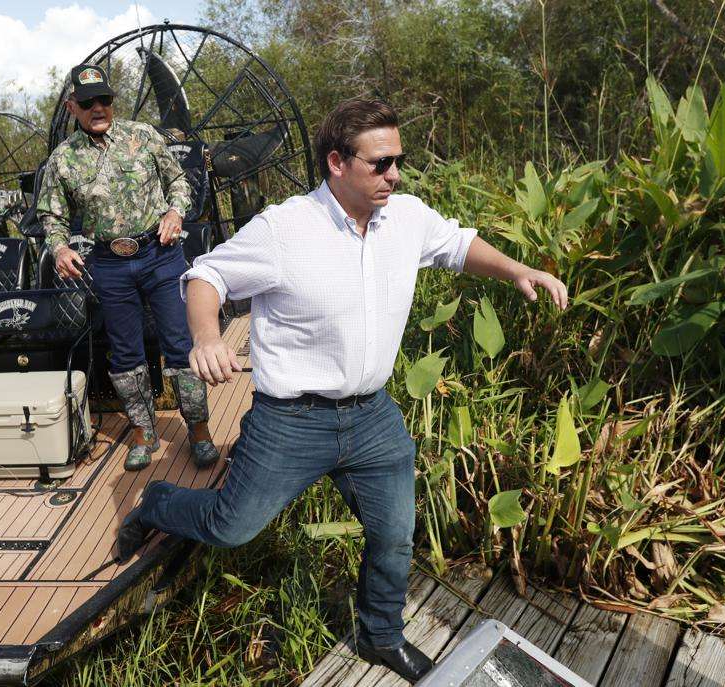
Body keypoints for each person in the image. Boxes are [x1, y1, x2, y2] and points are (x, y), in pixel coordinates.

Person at [117, 98, 568, 682]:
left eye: (398, 161)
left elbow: (458, 245)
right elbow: (207, 274)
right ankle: (157, 502)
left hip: (372, 417)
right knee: (231, 527)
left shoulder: (404, 217)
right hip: (290, 420)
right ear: (337, 162)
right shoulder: (285, 228)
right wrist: (205, 336)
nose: (395, 175)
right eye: (381, 164)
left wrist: (519, 271)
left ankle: (380, 635)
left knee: (394, 532)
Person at [37, 63, 219, 472]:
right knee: (124, 353)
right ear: (72, 107)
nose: (98, 108)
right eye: (88, 103)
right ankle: (142, 431)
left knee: (180, 345)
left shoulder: (144, 136)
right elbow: (52, 215)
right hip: (109, 264)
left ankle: (199, 429)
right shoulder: (63, 159)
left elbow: (179, 182)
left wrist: (175, 212)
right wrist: (60, 247)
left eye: (104, 99)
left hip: (161, 254)